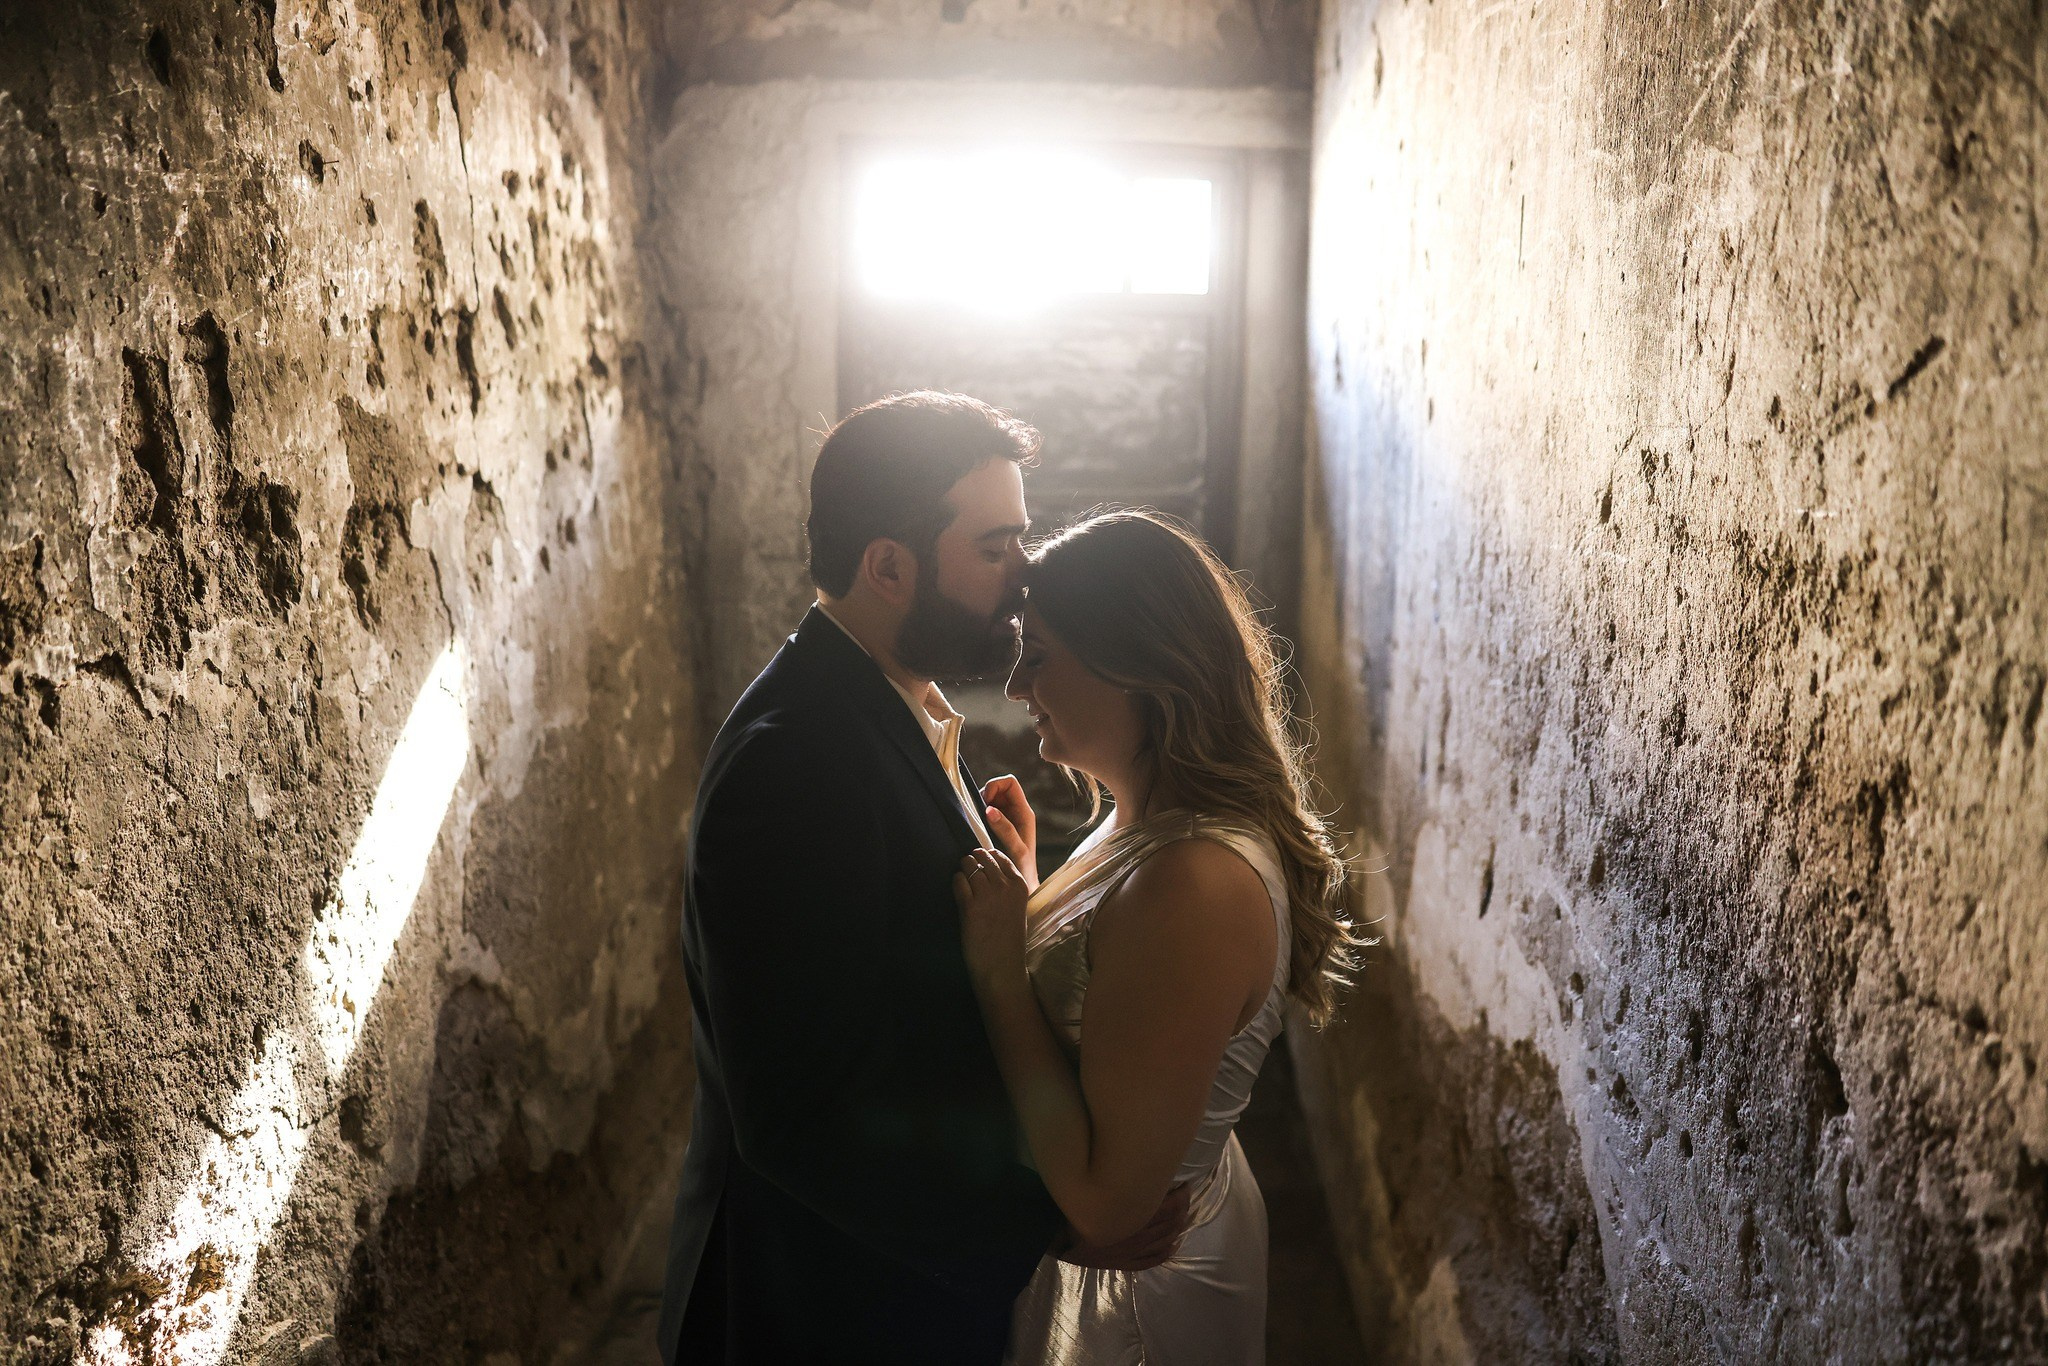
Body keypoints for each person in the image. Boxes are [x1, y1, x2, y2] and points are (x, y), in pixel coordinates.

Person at [658, 393, 1188, 1366]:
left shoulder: (888, 704)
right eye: (994, 547)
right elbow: (799, 1117)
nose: (1026, 572)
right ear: (889, 566)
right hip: (824, 1308)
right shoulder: (793, 760)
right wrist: (1048, 1225)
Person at [954, 508, 1365, 1366]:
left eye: (1040, 657)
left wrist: (999, 974)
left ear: (1137, 668)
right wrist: (1032, 902)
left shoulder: (1195, 882)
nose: (1017, 687)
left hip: (1135, 1297)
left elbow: (1108, 1207)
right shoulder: (1141, 821)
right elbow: (1107, 990)